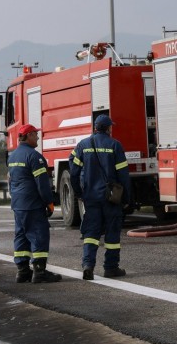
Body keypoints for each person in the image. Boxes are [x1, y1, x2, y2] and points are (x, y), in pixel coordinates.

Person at [69, 114, 131, 280]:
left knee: (91, 233)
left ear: (95, 127)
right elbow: (123, 175)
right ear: (108, 128)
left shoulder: (82, 145)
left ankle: (88, 265)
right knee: (112, 234)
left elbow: (73, 173)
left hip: (91, 197)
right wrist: (126, 198)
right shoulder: (115, 145)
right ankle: (110, 267)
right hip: (110, 198)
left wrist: (78, 193)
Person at [9, 124, 61, 284]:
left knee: (21, 236)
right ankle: (39, 272)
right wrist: (49, 202)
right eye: (36, 135)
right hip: (32, 204)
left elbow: (11, 182)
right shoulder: (34, 157)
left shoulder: (13, 156)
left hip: (18, 204)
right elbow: (42, 184)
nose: (38, 137)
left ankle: (22, 271)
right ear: (29, 135)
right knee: (39, 235)